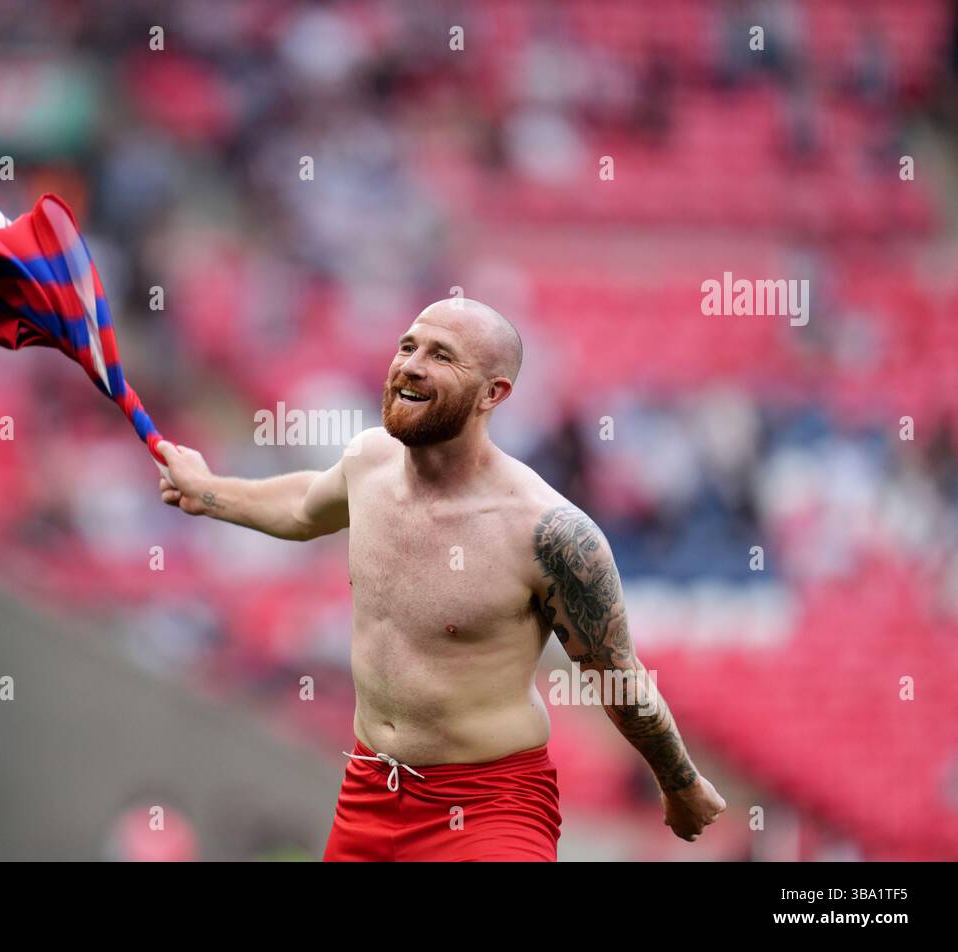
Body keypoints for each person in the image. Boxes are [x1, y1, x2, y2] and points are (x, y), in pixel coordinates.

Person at [158, 297, 726, 861]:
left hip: (490, 808)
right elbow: (305, 507)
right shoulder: (368, 462)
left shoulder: (549, 533)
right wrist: (208, 491)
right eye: (407, 346)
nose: (410, 364)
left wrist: (680, 784)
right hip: (367, 795)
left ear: (493, 394)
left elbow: (617, 677)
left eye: (441, 355)